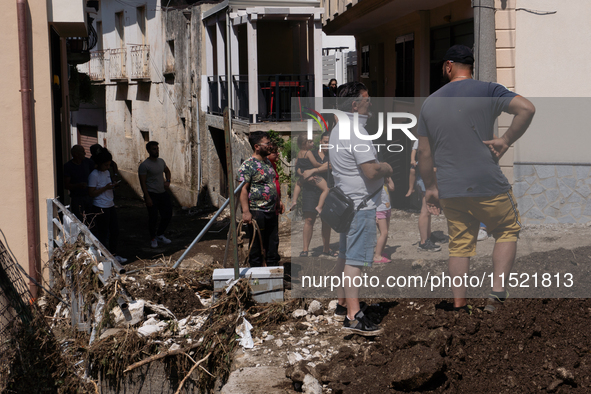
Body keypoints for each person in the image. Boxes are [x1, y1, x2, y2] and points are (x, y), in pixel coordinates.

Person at [417, 45, 535, 313]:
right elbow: (527, 108)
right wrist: (505, 140)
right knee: (506, 230)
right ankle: (496, 296)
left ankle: (459, 305)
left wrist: (431, 188)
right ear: (470, 66)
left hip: (450, 185)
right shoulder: (488, 90)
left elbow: (423, 152)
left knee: (459, 244)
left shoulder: (430, 102)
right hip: (486, 181)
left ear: (448, 66)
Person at [330, 81, 393, 335]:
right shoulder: (357, 132)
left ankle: (343, 304)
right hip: (361, 205)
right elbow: (370, 170)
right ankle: (354, 316)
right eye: (367, 100)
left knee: (346, 256)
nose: (371, 105)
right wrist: (386, 167)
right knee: (355, 261)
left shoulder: (338, 129)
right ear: (355, 105)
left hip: (348, 204)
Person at [238, 131, 280, 267]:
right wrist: (246, 212)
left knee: (273, 244)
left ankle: (274, 276)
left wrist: (278, 202)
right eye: (267, 143)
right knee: (256, 245)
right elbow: (243, 189)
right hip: (257, 211)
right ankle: (256, 277)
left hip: (271, 211)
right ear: (257, 146)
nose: (269, 146)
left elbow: (271, 183)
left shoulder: (268, 162)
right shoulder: (248, 165)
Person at [299, 132, 337, 258]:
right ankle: (305, 250)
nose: (328, 144)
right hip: (310, 191)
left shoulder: (334, 155)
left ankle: (326, 249)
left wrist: (314, 170)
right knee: (309, 220)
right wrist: (304, 175)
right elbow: (298, 168)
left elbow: (331, 167)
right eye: (326, 142)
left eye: (330, 142)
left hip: (328, 192)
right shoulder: (310, 153)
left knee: (326, 221)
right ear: (320, 142)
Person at [88, 149, 126, 263]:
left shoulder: (107, 172)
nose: (108, 166)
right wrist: (105, 188)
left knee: (115, 231)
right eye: (106, 165)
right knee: (103, 233)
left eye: (109, 164)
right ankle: (104, 257)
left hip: (110, 204)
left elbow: (107, 184)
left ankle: (113, 254)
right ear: (99, 163)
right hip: (100, 206)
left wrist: (113, 186)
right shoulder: (94, 175)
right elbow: (91, 193)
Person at [138, 141, 173, 249]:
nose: (156, 151)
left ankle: (160, 234)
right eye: (154, 149)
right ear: (148, 150)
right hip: (152, 194)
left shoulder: (161, 161)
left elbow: (167, 171)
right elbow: (142, 182)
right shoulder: (144, 165)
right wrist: (147, 197)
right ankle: (153, 238)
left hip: (162, 192)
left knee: (167, 214)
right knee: (153, 217)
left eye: (157, 148)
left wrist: (167, 181)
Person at [289, 134, 330, 215]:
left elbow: (296, 164)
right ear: (305, 143)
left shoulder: (300, 153)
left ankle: (294, 201)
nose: (313, 143)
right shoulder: (309, 153)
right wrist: (322, 165)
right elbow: (314, 164)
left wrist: (301, 173)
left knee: (298, 184)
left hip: (303, 174)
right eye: (310, 142)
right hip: (312, 175)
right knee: (326, 189)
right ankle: (319, 206)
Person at [63, 145, 94, 221]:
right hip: (77, 198)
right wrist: (78, 185)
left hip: (89, 196)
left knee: (90, 218)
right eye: (82, 152)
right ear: (76, 154)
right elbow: (66, 185)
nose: (85, 153)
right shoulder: (68, 166)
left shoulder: (88, 162)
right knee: (79, 219)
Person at [267, 141, 286, 263]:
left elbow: (275, 185)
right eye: (274, 152)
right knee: (267, 237)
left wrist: (279, 201)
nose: (278, 153)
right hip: (264, 208)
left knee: (273, 236)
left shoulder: (273, 165)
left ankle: (273, 261)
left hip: (274, 206)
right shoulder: (264, 166)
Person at [374, 177, 395, 263]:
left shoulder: (384, 182)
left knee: (386, 233)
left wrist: (389, 179)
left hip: (387, 208)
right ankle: (377, 256)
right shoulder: (375, 182)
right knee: (384, 233)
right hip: (379, 210)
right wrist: (374, 214)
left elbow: (392, 188)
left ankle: (381, 252)